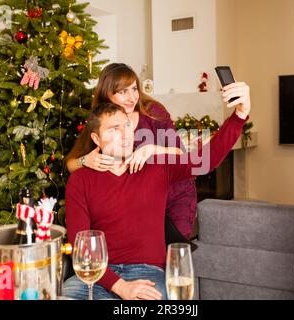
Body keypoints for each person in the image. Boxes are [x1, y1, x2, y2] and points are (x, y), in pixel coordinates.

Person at [62, 82, 251, 300]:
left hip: (148, 273)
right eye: (114, 130)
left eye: (126, 126)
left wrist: (240, 114)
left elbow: (207, 158)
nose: (125, 135)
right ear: (96, 139)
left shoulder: (156, 166)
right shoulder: (81, 180)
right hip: (97, 276)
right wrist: (120, 286)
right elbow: (81, 246)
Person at [65, 63, 197, 240]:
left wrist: (152, 150)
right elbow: (71, 164)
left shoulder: (152, 112)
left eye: (134, 89)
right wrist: (85, 161)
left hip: (174, 197)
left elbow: (181, 156)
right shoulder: (102, 119)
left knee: (174, 254)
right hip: (139, 206)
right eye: (122, 92)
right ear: (107, 93)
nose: (132, 97)